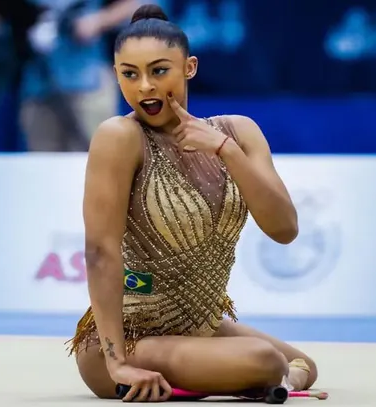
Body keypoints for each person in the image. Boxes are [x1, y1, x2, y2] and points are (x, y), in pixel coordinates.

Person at [66, 3, 318, 402]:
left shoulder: (239, 131)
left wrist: (225, 151)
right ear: (116, 75)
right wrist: (117, 363)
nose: (144, 86)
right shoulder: (120, 137)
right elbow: (100, 252)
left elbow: (285, 230)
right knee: (268, 362)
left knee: (304, 365)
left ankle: (243, 383)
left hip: (198, 328)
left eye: (159, 70)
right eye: (130, 74)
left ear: (190, 67)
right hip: (129, 339)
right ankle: (259, 382)